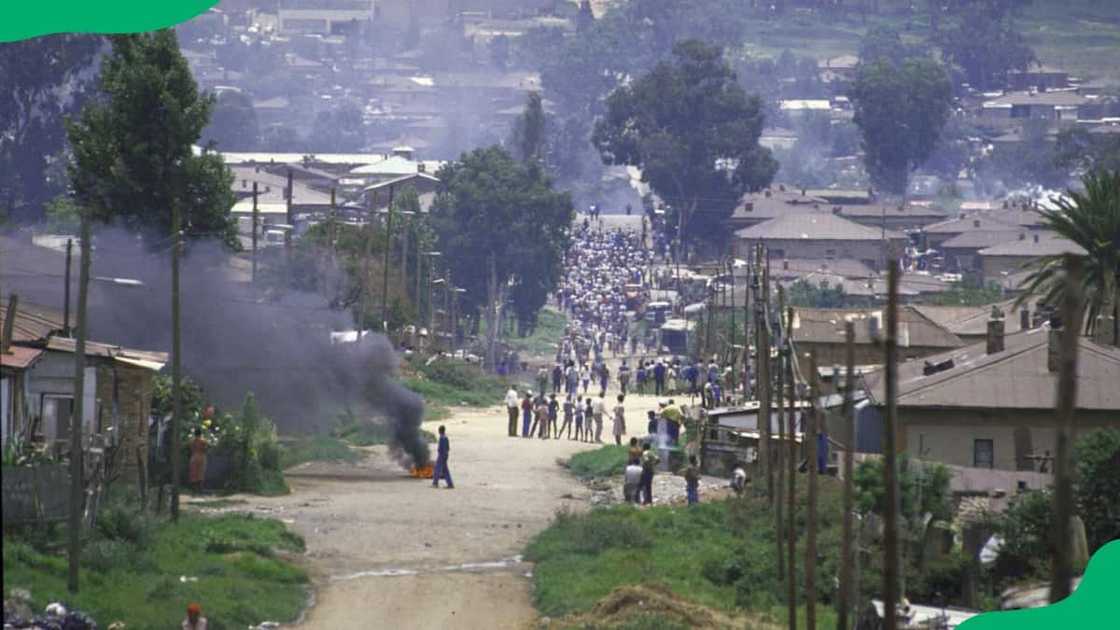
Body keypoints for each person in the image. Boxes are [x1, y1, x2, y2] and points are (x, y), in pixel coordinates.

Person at [188, 428, 208, 493]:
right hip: (201, 457)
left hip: (194, 457)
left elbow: (191, 449)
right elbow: (205, 449)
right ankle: (200, 489)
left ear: (195, 434)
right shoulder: (203, 441)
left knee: (194, 474)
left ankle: (194, 489)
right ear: (200, 434)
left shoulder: (192, 441)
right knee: (200, 473)